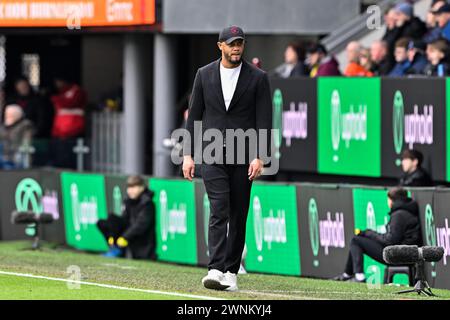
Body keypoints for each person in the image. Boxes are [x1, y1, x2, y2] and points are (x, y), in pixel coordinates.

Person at [182, 26, 272, 291]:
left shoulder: (258, 77)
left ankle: (231, 271)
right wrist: (188, 155)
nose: (236, 48)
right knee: (219, 209)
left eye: (240, 44)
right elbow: (194, 115)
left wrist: (260, 156)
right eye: (231, 44)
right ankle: (215, 268)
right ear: (220, 45)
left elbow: (264, 119)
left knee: (238, 213)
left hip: (244, 156)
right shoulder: (204, 74)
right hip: (212, 154)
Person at [334, 187, 422, 283]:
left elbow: (389, 241)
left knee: (356, 240)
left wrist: (368, 233)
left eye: (388, 199)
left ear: (392, 200)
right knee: (357, 239)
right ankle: (348, 274)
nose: (387, 202)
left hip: (398, 255)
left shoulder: (399, 215)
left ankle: (357, 276)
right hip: (403, 253)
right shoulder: (404, 212)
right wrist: (367, 234)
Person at [97, 175, 156, 260]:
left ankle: (119, 249)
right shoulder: (128, 201)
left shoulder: (147, 204)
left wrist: (124, 237)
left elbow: (140, 226)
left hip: (142, 243)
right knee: (108, 220)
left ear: (142, 187)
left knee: (131, 230)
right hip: (128, 237)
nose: (130, 191)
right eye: (129, 187)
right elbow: (124, 220)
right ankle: (115, 248)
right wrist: (112, 235)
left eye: (134, 187)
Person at [50, 75, 87, 168]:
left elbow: (71, 103)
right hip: (60, 131)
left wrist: (56, 99)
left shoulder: (77, 91)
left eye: (59, 81)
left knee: (71, 158)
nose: (57, 84)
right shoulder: (62, 93)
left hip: (72, 130)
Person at [0, 104, 34, 169]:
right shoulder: (3, 127)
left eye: (11, 114)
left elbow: (26, 144)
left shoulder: (25, 126)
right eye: (6, 113)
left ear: (17, 115)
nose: (7, 116)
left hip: (16, 159)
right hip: (3, 157)